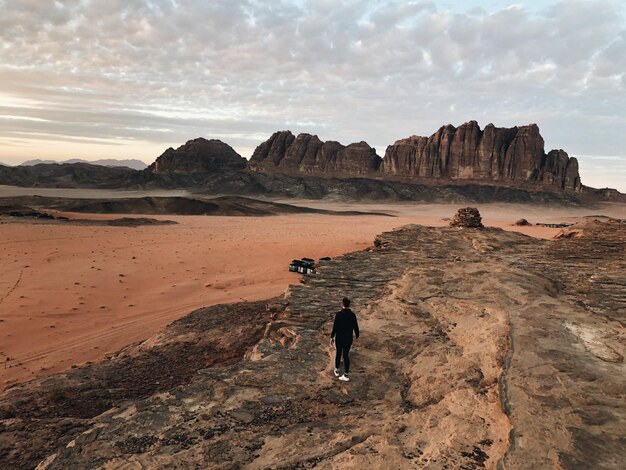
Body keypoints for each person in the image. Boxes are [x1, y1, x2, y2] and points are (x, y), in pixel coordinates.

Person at [330, 297, 360, 382]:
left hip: (339, 337)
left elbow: (335, 327)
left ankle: (336, 370)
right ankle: (346, 375)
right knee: (346, 355)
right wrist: (357, 335)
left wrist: (332, 337)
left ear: (342, 304)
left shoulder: (338, 314)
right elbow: (356, 327)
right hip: (348, 338)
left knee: (338, 353)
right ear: (349, 305)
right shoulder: (352, 315)